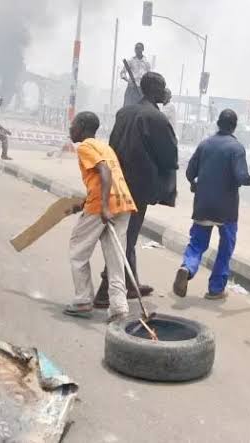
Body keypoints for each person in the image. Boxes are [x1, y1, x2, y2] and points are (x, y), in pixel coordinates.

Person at [172, 109, 250, 299]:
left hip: (203, 205)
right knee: (225, 248)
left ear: (218, 123)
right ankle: (216, 289)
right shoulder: (236, 148)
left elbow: (190, 172)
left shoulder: (204, 145)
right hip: (226, 210)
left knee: (196, 244)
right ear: (234, 126)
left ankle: (187, 268)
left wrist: (194, 184)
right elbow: (242, 178)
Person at [93, 72, 178, 308]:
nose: (165, 92)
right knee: (128, 237)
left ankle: (131, 285)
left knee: (127, 232)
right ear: (154, 90)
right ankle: (103, 292)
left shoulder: (125, 112)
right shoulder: (156, 118)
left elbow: (112, 146)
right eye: (163, 88)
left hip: (118, 182)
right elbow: (170, 156)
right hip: (139, 187)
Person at [62, 112, 135, 323]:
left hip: (104, 206)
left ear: (83, 126)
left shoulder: (85, 146)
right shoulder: (105, 146)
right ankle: (119, 308)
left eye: (73, 125)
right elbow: (101, 177)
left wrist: (102, 206)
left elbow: (104, 171)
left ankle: (83, 300)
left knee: (78, 251)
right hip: (123, 203)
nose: (70, 128)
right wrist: (84, 203)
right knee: (115, 258)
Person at [120, 42, 151, 106]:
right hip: (131, 88)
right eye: (136, 48)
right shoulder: (131, 60)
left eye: (139, 48)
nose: (137, 50)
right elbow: (122, 73)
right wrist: (128, 81)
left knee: (141, 107)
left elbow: (149, 76)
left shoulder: (146, 62)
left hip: (141, 89)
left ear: (142, 49)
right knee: (127, 106)